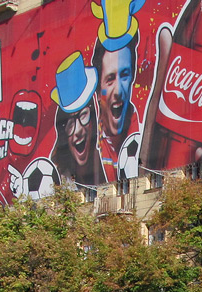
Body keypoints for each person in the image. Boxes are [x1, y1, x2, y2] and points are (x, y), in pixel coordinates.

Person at [51, 51, 107, 186]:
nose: (77, 130)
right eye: (70, 124)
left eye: (83, 115)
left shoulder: (109, 165)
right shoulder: (59, 180)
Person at [91, 29, 141, 181]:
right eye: (110, 79)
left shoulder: (143, 134)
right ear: (98, 91)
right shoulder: (91, 143)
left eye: (125, 75)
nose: (118, 91)